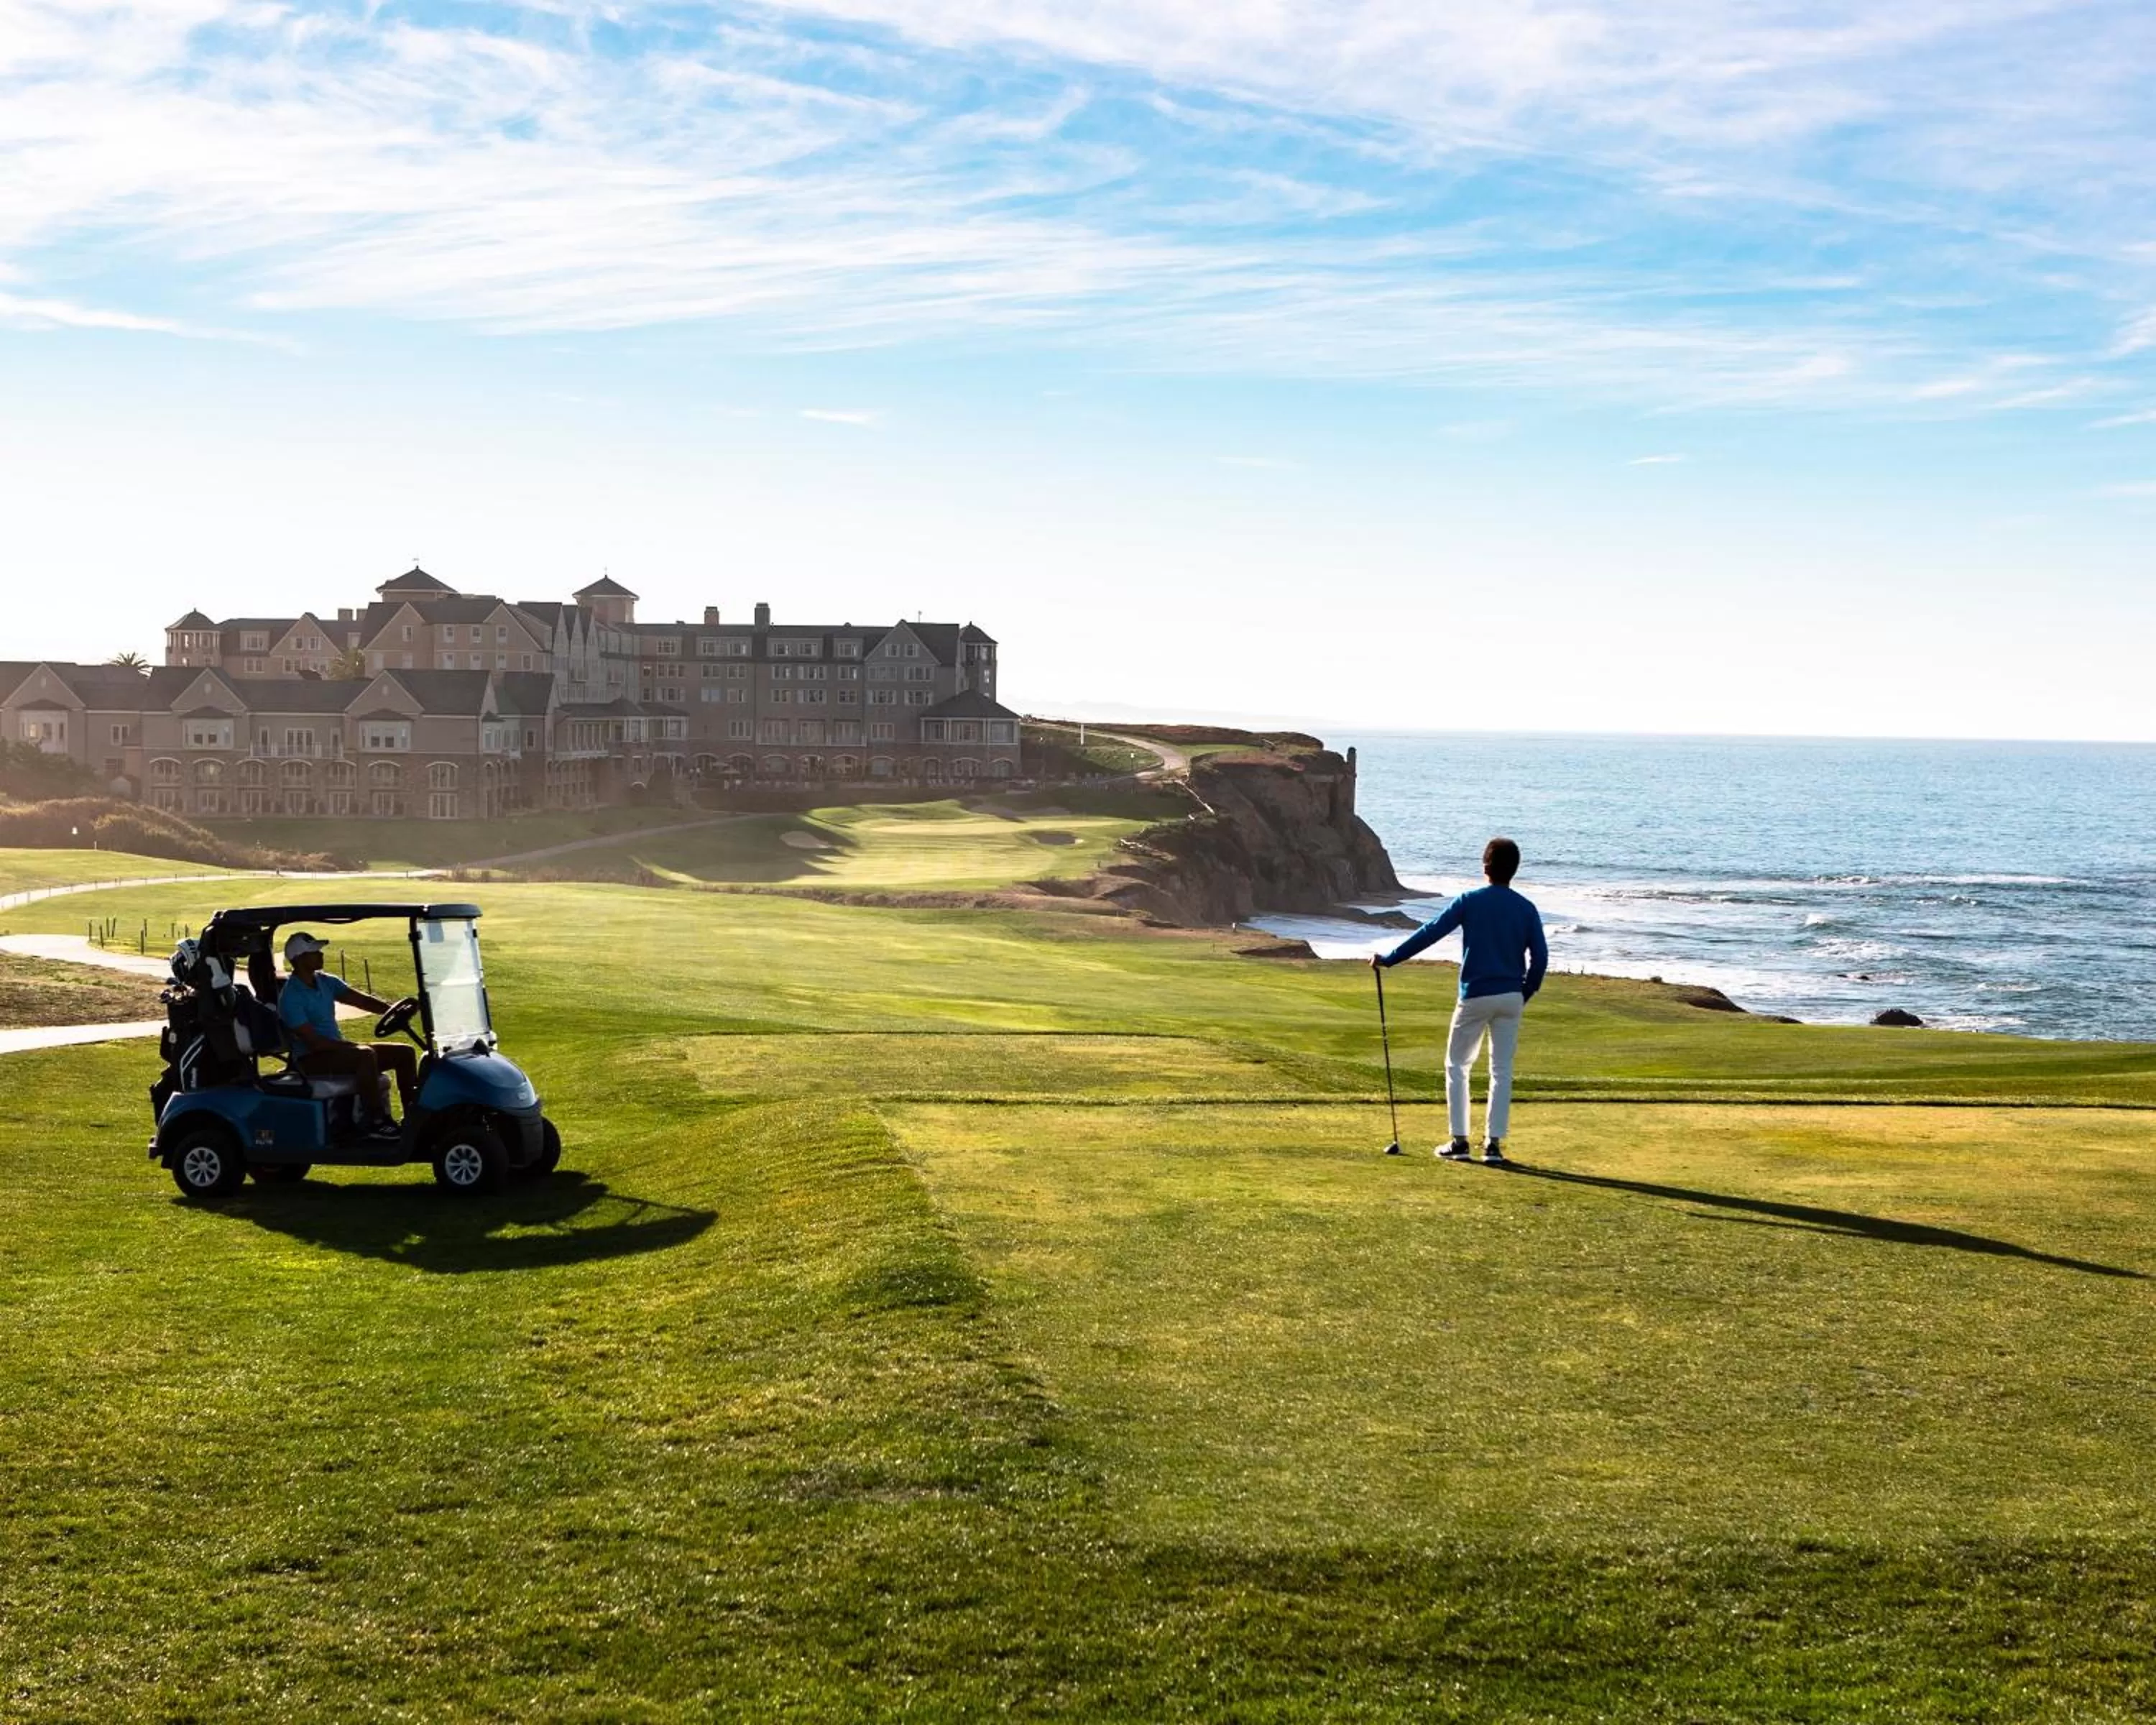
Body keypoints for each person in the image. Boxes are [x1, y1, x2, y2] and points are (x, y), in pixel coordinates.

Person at [1371, 837, 1547, 1165]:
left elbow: (1431, 932)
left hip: (1476, 995)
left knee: (1457, 1066)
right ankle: (1493, 1146)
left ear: (1485, 868)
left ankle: (1460, 1142)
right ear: (1514, 870)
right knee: (1502, 1071)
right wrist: (1523, 993)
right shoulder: (1526, 908)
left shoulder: (1470, 900)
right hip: (1510, 996)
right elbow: (1540, 960)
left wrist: (1391, 959)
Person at [277, 932, 419, 1136]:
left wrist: (394, 1010)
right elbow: (315, 1043)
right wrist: (352, 1047)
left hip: (334, 1051)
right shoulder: (291, 997)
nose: (321, 955)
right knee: (364, 1055)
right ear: (298, 959)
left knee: (404, 1053)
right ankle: (376, 1120)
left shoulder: (326, 982)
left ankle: (412, 1118)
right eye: (314, 952)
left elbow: (362, 1001)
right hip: (310, 1059)